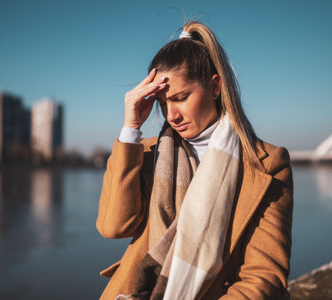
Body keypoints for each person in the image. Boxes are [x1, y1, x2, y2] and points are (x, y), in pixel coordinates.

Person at [96, 21, 293, 300]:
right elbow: (114, 227)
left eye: (181, 98)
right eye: (163, 103)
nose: (171, 115)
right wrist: (130, 130)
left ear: (215, 87)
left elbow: (264, 275)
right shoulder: (149, 154)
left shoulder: (267, 164)